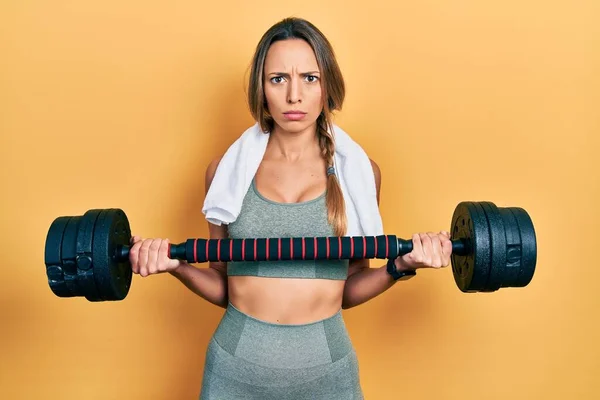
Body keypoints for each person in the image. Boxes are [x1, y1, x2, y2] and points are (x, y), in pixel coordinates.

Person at [129, 17, 452, 399]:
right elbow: (223, 283)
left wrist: (401, 266)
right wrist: (176, 265)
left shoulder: (359, 174)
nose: (294, 96)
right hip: (235, 369)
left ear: (326, 85)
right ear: (262, 89)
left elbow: (346, 288)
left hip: (327, 373)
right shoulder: (226, 173)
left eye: (309, 78)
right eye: (278, 79)